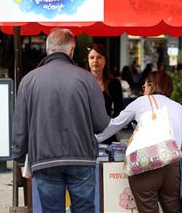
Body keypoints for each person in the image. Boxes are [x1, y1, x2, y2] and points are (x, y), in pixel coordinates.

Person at [12, 28, 110, 212]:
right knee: (84, 209)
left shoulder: (28, 81)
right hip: (81, 158)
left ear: (48, 50)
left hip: (44, 159)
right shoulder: (87, 79)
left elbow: (20, 128)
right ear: (71, 50)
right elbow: (101, 124)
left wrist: (18, 156)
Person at [96, 71, 182, 213]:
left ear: (150, 85)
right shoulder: (179, 107)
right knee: (173, 209)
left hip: (146, 166)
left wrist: (93, 138)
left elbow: (114, 125)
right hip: (173, 169)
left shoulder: (141, 102)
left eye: (144, 86)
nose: (143, 89)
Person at [88, 43, 123, 144]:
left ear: (105, 61)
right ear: (88, 60)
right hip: (85, 135)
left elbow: (119, 110)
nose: (95, 61)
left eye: (99, 57)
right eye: (92, 57)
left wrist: (111, 129)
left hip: (108, 133)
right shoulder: (81, 83)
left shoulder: (114, 83)